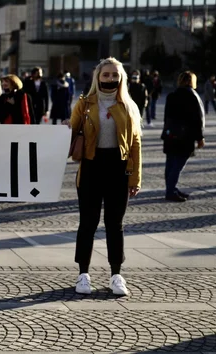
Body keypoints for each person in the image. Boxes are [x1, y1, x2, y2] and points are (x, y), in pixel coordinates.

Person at [66, 57, 142, 297]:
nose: (110, 78)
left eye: (115, 75)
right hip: (90, 166)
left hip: (118, 168)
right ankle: (83, 274)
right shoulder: (85, 104)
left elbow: (136, 144)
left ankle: (116, 275)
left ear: (122, 78)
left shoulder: (129, 106)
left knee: (115, 224)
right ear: (97, 77)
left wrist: (135, 178)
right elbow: (70, 133)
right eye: (106, 74)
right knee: (87, 223)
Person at [162, 71, 206, 202]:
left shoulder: (172, 95)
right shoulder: (193, 96)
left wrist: (167, 131)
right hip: (185, 136)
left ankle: (171, 188)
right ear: (191, 81)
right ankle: (170, 191)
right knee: (178, 164)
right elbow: (198, 119)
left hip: (170, 134)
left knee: (170, 163)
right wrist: (200, 137)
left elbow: (166, 117)